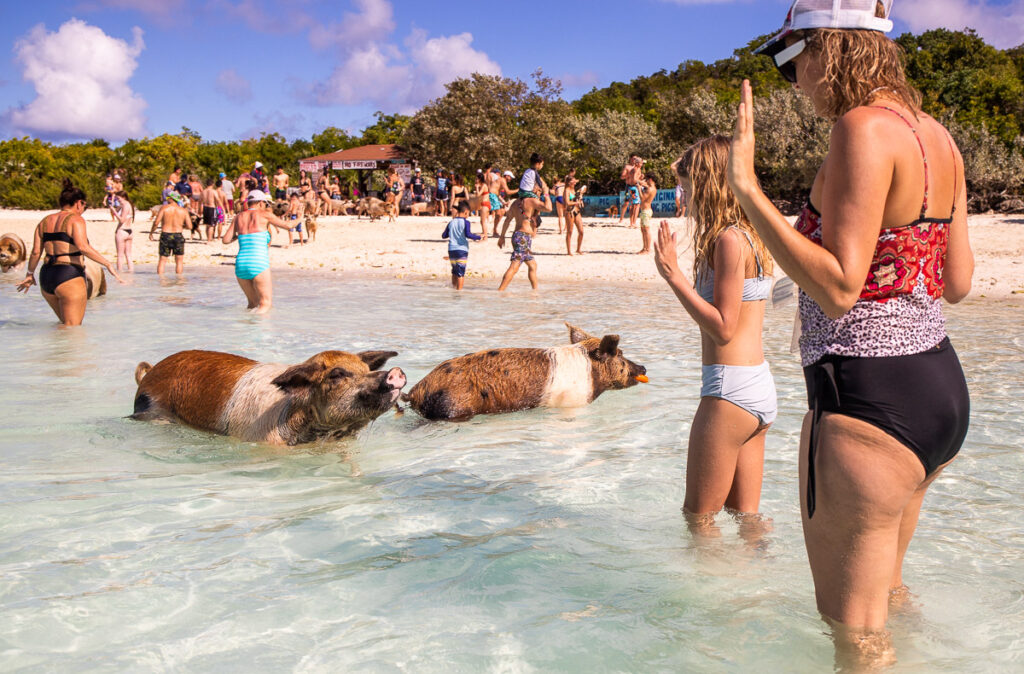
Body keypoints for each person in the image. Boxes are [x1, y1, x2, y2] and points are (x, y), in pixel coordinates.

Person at [728, 0, 972, 665]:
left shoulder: (860, 130)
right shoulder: (937, 136)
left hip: (867, 394)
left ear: (828, 48)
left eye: (788, 59)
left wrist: (748, 191)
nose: (793, 79)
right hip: (937, 389)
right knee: (887, 598)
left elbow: (838, 288)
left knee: (854, 632)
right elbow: (958, 281)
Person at [653, 135, 776, 544]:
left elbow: (724, 326)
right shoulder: (753, 234)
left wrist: (673, 276)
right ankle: (755, 594)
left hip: (728, 391)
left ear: (708, 183)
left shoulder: (727, 240)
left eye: (687, 185)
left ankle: (713, 604)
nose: (681, 195)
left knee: (699, 522)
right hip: (759, 389)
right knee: (748, 519)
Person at [16, 178, 124, 325]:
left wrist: (29, 274)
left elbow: (35, 252)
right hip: (68, 275)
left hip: (46, 277)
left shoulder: (44, 221)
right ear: (79, 203)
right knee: (72, 329)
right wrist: (107, 264)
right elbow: (83, 247)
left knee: (64, 327)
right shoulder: (76, 220)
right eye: (84, 205)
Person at [221, 189, 293, 313]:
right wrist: (300, 217)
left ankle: (248, 330)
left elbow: (226, 240)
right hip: (258, 263)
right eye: (265, 204)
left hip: (241, 264)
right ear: (260, 203)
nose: (265, 206)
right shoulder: (264, 215)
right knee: (265, 304)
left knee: (253, 304)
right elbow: (289, 226)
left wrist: (239, 236)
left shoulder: (238, 217)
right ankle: (261, 331)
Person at [497, 181, 551, 291]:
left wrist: (502, 236)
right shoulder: (532, 201)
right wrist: (546, 194)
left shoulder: (516, 202)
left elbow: (507, 220)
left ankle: (535, 291)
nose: (539, 190)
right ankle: (500, 291)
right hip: (523, 237)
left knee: (532, 265)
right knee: (515, 265)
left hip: (518, 236)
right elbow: (549, 208)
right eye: (538, 188)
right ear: (534, 189)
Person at [442, 202, 483, 290]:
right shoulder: (466, 222)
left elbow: (444, 235)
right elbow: (468, 234)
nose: (468, 215)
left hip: (451, 250)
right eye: (468, 213)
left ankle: (453, 288)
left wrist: (453, 232)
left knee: (454, 271)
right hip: (462, 250)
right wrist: (479, 237)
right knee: (461, 272)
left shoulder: (451, 222)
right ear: (466, 212)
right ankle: (459, 292)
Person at [151, 192, 190, 275]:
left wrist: (151, 233)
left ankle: (160, 281)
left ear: (171, 199)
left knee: (162, 259)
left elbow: (156, 222)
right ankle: (179, 282)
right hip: (178, 235)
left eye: (168, 197)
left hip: (166, 234)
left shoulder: (164, 208)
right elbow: (189, 226)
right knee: (179, 260)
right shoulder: (183, 210)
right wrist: (180, 226)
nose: (167, 199)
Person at [517, 154, 550, 231]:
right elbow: (540, 183)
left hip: (521, 192)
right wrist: (543, 189)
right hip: (527, 193)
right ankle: (535, 216)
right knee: (537, 200)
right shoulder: (534, 172)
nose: (542, 166)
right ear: (538, 164)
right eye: (542, 164)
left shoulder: (527, 170)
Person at [112, 189, 135, 272]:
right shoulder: (128, 205)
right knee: (128, 255)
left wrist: (114, 211)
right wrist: (116, 207)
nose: (118, 200)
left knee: (120, 255)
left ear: (124, 197)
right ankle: (131, 272)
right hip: (130, 231)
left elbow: (121, 220)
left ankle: (119, 273)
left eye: (119, 198)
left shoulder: (125, 205)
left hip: (122, 231)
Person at [563, 177, 586, 256]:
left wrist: (580, 201)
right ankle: (569, 251)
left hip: (577, 211)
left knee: (581, 231)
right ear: (569, 183)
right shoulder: (567, 190)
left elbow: (578, 200)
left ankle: (578, 249)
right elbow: (567, 203)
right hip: (569, 212)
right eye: (574, 181)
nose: (575, 182)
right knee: (569, 232)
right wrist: (576, 203)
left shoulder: (574, 191)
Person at [619, 155, 643, 227]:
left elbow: (635, 177)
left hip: (632, 188)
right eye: (641, 163)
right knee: (634, 204)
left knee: (633, 205)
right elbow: (634, 179)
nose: (642, 164)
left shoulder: (635, 169)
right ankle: (632, 222)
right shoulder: (633, 168)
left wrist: (640, 178)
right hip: (633, 187)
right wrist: (641, 182)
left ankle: (632, 222)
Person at [637, 173, 657, 254]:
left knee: (646, 230)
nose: (645, 181)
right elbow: (641, 183)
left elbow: (643, 198)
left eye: (646, 179)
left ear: (650, 180)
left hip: (646, 210)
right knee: (643, 230)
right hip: (644, 210)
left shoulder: (650, 189)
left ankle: (647, 249)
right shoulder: (651, 187)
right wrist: (640, 181)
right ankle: (644, 247)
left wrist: (639, 189)